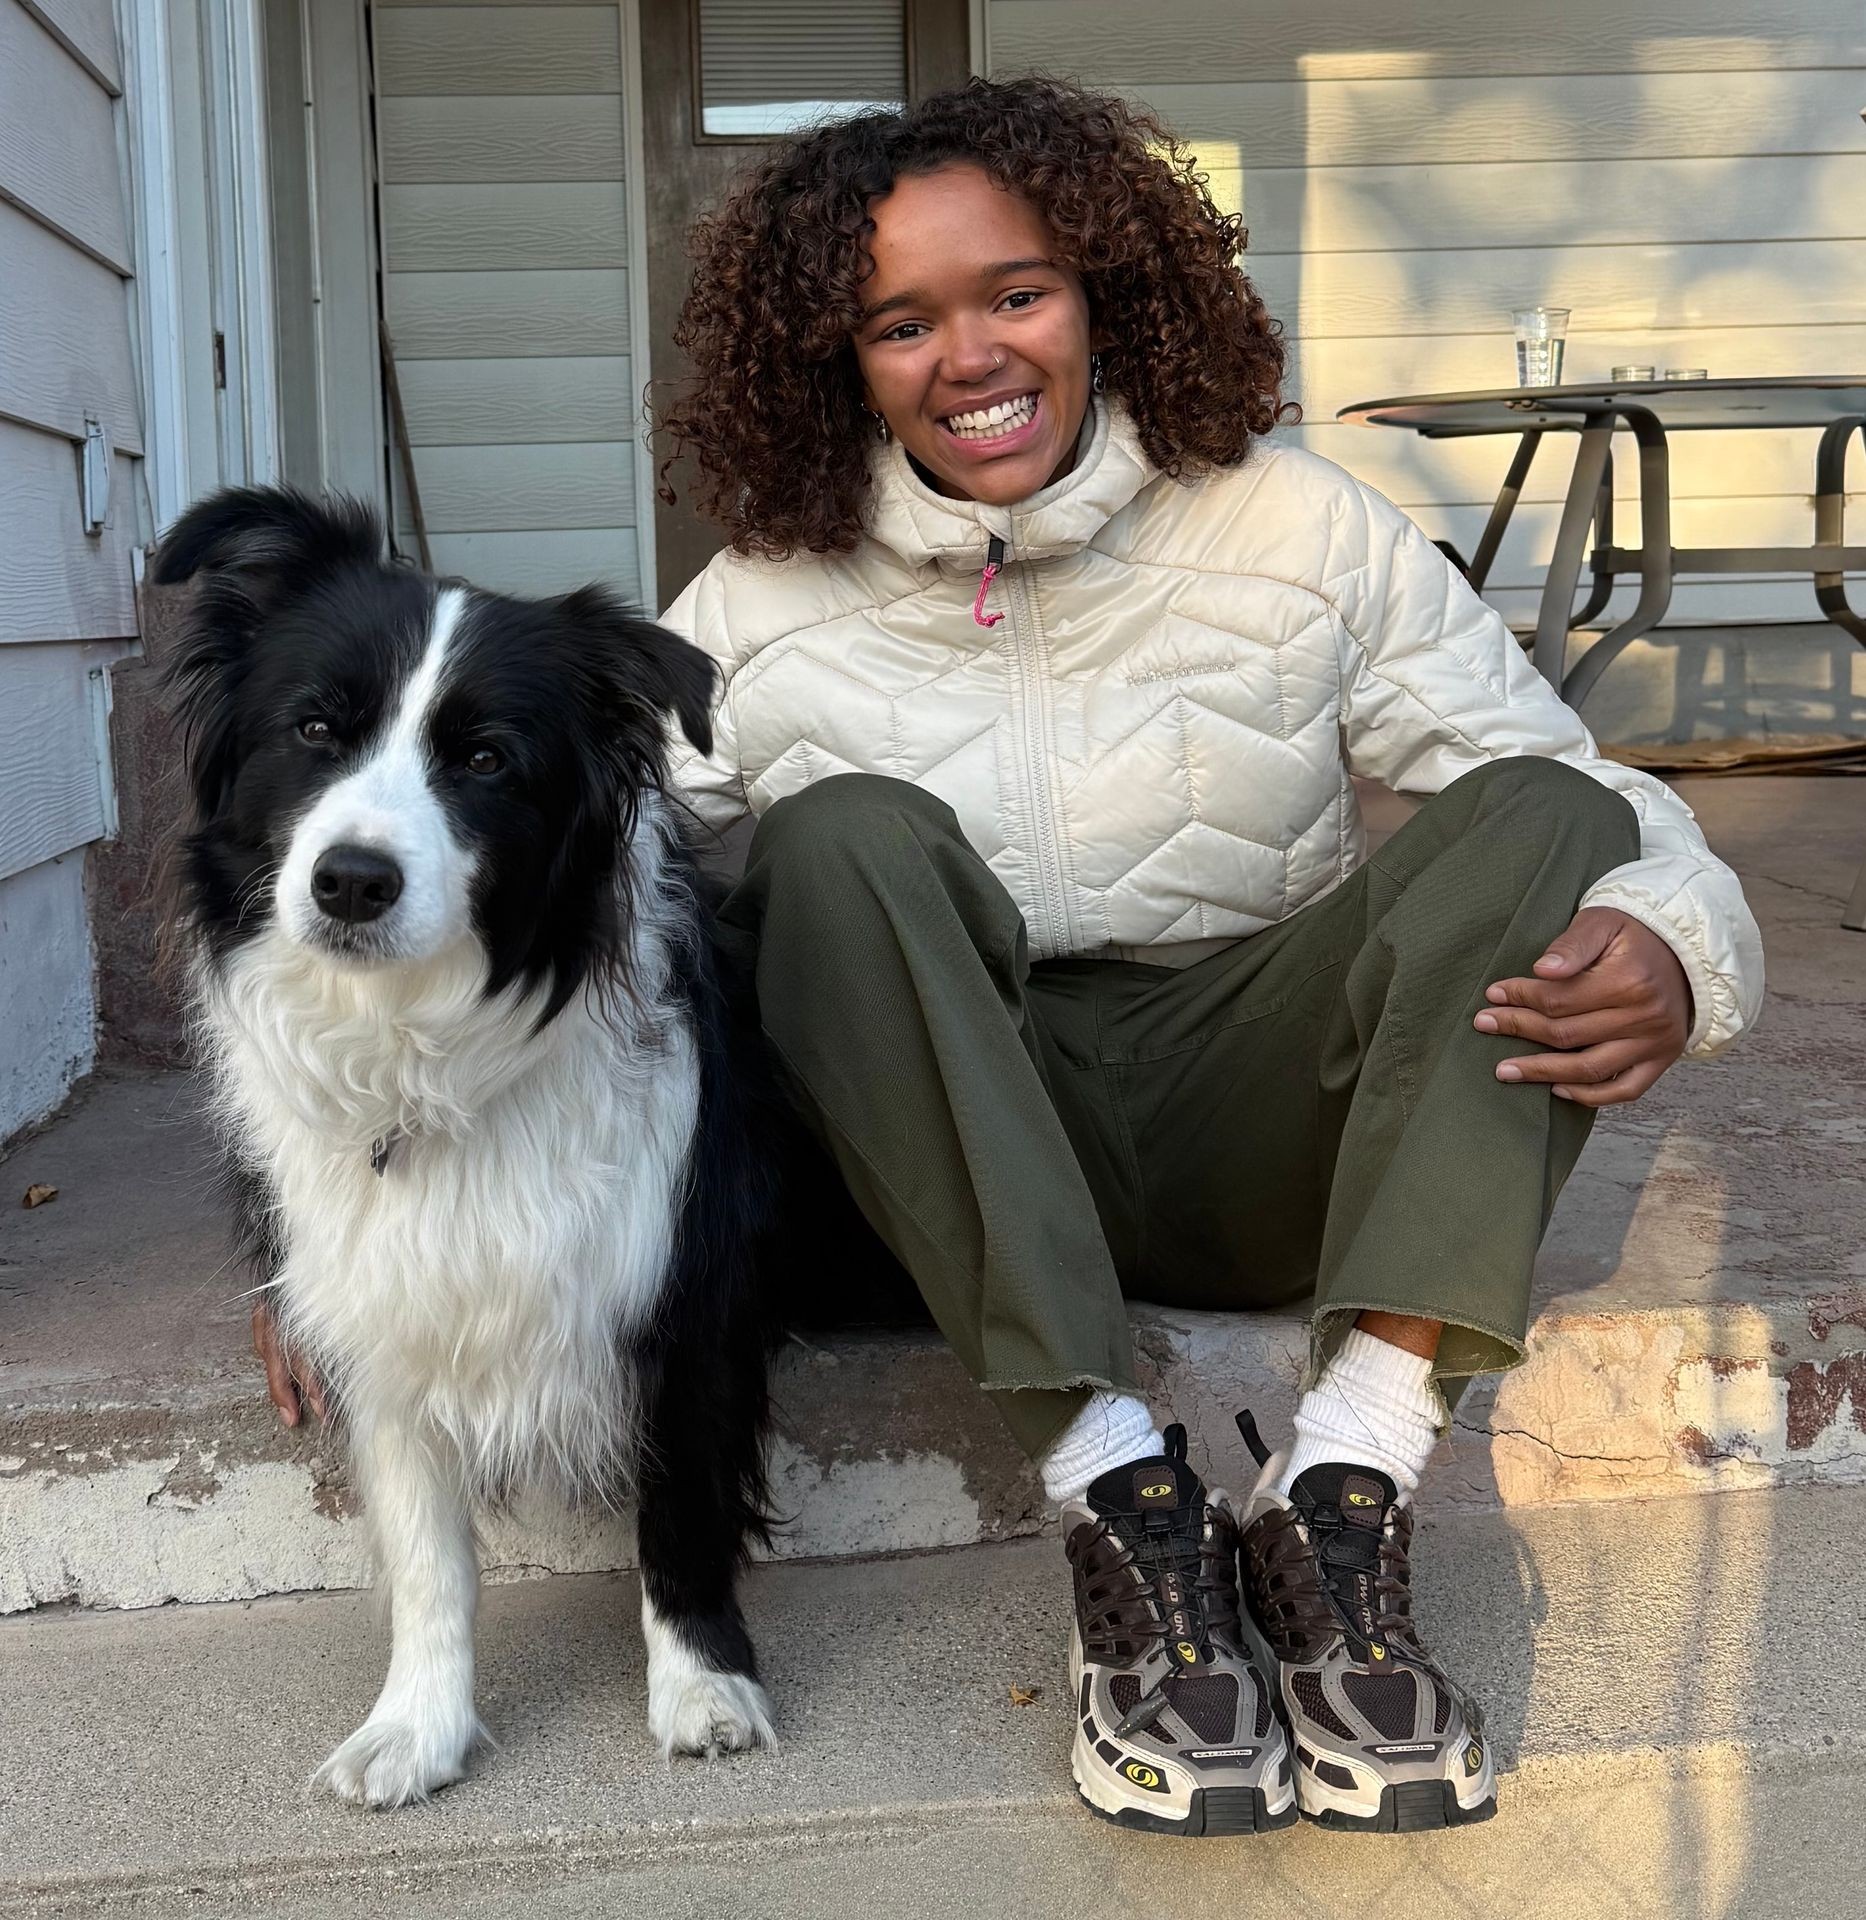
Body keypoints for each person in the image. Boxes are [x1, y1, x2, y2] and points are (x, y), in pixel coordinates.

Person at [253, 74, 1764, 1835]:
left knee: (1541, 815)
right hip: (938, 1165)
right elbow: (538, 896)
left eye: (1015, 294)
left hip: (1239, 1105)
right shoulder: (756, 601)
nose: (968, 357)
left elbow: (1585, 793)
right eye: (902, 323)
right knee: (839, 844)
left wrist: (1674, 939)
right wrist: (323, 1224)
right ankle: (1121, 1499)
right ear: (840, 359)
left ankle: (1347, 1480)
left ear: (1109, 290)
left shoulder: (1299, 526)